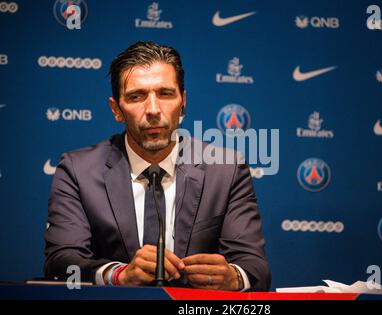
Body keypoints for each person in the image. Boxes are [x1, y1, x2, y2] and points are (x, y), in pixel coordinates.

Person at [44, 41, 270, 291]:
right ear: (116, 109)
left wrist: (234, 277)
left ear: (183, 102)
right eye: (136, 96)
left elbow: (254, 267)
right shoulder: (78, 171)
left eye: (165, 93)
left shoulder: (226, 169)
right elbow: (61, 262)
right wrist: (118, 275)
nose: (153, 110)